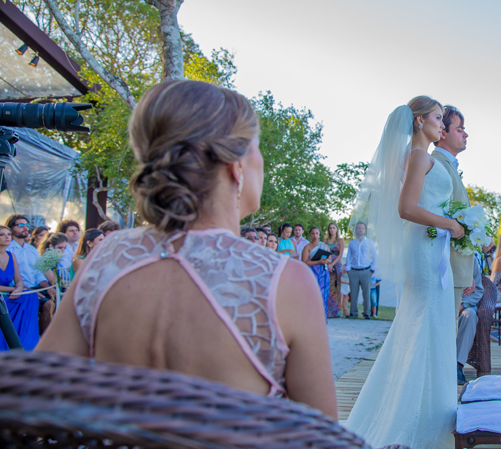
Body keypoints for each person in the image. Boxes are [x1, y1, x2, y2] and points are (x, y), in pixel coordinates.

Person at [37, 80, 336, 417]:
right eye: (258, 147)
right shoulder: (286, 281)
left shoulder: (106, 258)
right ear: (236, 166)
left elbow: (38, 397)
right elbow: (323, 446)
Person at [343, 96, 465, 449]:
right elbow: (406, 208)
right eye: (438, 118)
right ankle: (411, 425)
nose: (442, 125)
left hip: (431, 247)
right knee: (424, 323)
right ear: (418, 121)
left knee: (426, 326)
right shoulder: (418, 157)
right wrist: (452, 224)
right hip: (426, 249)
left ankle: (430, 417)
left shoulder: (416, 157)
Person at [431, 105, 474, 314]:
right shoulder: (436, 165)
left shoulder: (448, 166)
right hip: (446, 270)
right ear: (443, 132)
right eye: (459, 129)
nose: (465, 134)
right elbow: (434, 221)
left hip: (457, 271)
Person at [0, 225, 36, 351]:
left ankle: (25, 342)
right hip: (2, 296)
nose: (7, 237)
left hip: (10, 294)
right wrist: (13, 290)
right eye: (2, 235)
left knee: (31, 294)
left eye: (8, 234)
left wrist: (19, 288)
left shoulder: (11, 256)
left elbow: (19, 280)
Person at [457, 249, 486, 384]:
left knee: (470, 315)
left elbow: (478, 289)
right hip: (440, 305)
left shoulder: (471, 258)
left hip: (464, 305)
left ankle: (458, 365)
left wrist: (462, 305)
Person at [301, 226, 334, 315]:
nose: (315, 235)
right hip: (313, 272)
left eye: (317, 233)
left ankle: (322, 316)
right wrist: (318, 261)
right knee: (312, 294)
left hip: (323, 272)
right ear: (310, 235)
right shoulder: (307, 247)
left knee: (323, 294)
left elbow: (330, 259)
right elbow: (304, 262)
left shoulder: (324, 245)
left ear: (319, 235)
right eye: (313, 233)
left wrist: (326, 261)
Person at [345, 221, 374, 319]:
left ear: (365, 230)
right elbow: (349, 256)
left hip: (366, 271)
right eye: (358, 228)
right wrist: (348, 269)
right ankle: (353, 312)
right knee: (353, 293)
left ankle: (367, 313)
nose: (360, 230)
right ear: (356, 230)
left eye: (362, 228)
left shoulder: (370, 243)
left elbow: (374, 256)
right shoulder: (352, 243)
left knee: (367, 293)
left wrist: (372, 269)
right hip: (354, 271)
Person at [323, 222, 344, 318]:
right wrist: (328, 264)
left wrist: (332, 264)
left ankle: (336, 312)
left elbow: (340, 255)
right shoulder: (325, 240)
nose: (332, 229)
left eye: (333, 228)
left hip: (336, 265)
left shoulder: (340, 240)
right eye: (330, 228)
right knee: (328, 288)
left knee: (336, 288)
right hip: (327, 264)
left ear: (337, 229)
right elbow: (323, 252)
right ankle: (327, 311)